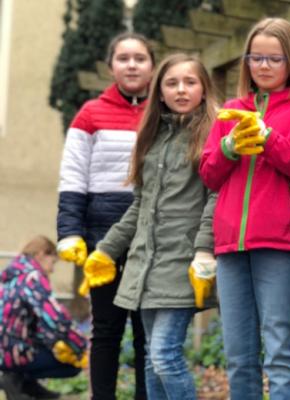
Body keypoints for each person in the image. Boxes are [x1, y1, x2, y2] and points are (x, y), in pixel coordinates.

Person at [199, 17, 290, 400]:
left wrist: (268, 137)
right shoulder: (230, 111)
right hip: (230, 248)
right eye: (256, 58)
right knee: (239, 357)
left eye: (274, 58)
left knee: (280, 353)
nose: (264, 66)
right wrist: (228, 148)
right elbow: (208, 175)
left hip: (281, 246)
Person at [82, 53, 219, 400]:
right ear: (159, 92)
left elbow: (215, 199)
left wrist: (204, 251)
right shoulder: (152, 138)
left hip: (182, 263)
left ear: (204, 89)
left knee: (164, 355)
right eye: (171, 83)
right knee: (149, 359)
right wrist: (106, 251)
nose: (181, 89)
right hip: (144, 265)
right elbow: (140, 205)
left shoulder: (211, 134)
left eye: (189, 82)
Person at [56, 32, 154, 400]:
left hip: (152, 236)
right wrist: (69, 231)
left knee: (147, 332)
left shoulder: (165, 113)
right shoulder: (89, 114)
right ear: (111, 66)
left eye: (140, 58)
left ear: (152, 66)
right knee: (107, 330)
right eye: (123, 58)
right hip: (103, 239)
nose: (132, 65)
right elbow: (72, 176)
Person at [0, 236, 88, 400]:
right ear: (41, 254)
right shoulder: (32, 277)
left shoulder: (12, 275)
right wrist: (82, 345)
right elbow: (56, 319)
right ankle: (16, 378)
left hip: (4, 348)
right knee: (72, 365)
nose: (52, 270)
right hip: (12, 353)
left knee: (47, 346)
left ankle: (25, 383)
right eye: (53, 262)